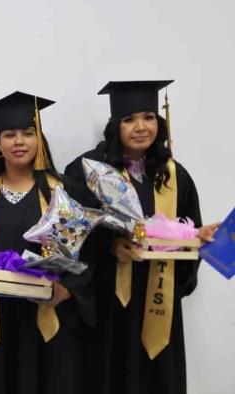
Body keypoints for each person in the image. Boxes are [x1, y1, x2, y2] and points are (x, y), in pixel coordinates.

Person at [64, 80, 219, 394]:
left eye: (148, 117)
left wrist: (197, 238)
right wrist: (112, 247)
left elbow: (188, 233)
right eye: (129, 119)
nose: (140, 127)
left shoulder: (175, 175)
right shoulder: (89, 170)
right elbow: (70, 237)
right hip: (110, 306)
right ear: (114, 126)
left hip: (158, 298)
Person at [0, 91, 97, 394]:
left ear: (39, 141)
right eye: (9, 134)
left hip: (50, 318)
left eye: (28, 133)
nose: (19, 141)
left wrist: (67, 289)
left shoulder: (65, 192)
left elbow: (90, 252)